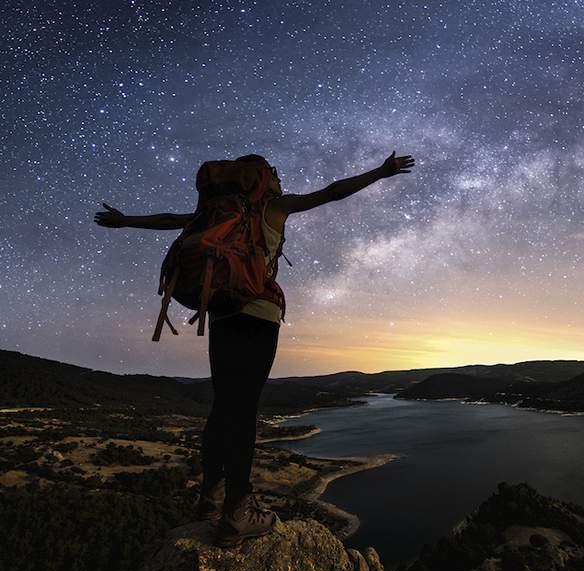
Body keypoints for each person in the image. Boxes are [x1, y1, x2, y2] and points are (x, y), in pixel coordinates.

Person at [94, 151, 414, 548]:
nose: (281, 181)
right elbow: (332, 192)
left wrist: (125, 221)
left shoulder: (210, 214)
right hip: (258, 314)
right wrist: (382, 172)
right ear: (264, 180)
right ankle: (238, 511)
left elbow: (168, 221)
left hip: (222, 313)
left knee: (223, 407)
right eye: (276, 176)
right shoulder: (273, 207)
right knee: (244, 411)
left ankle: (209, 498)